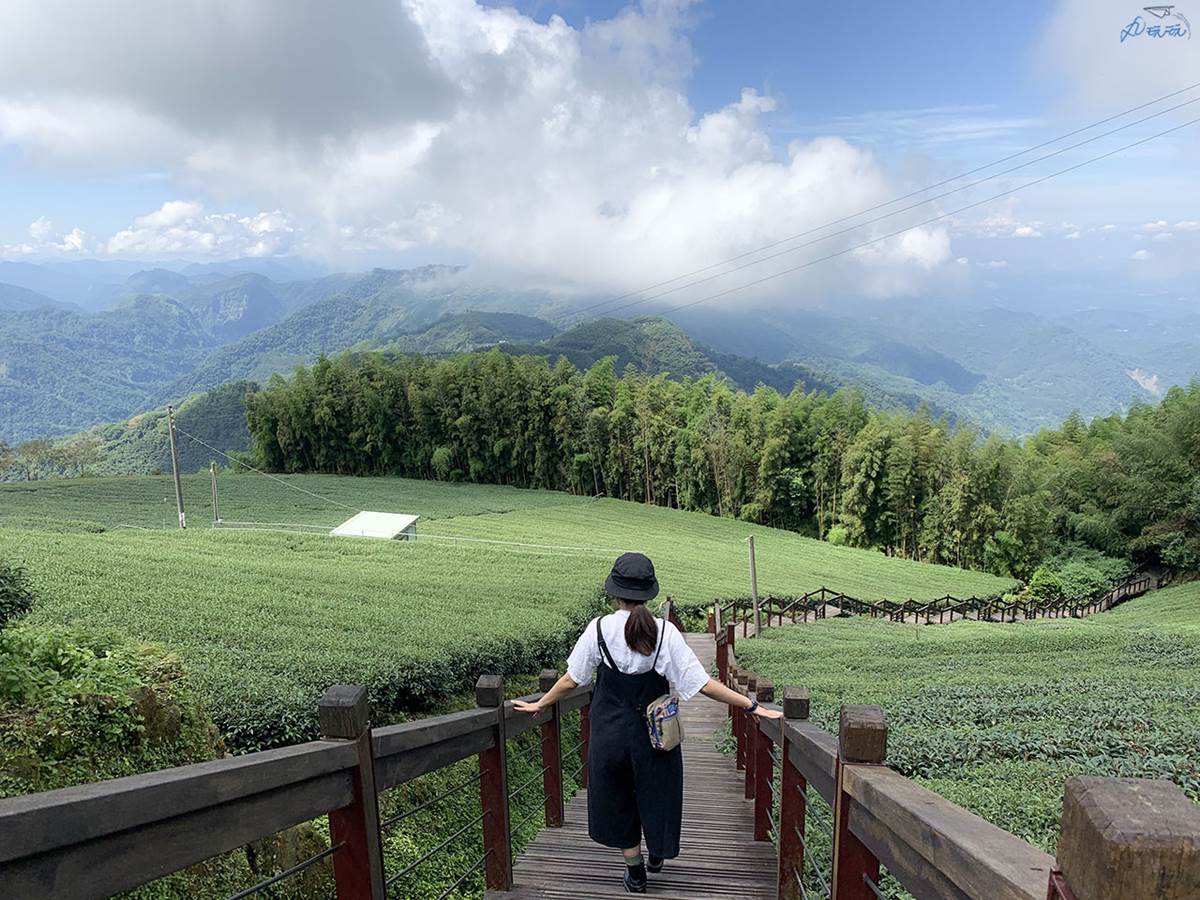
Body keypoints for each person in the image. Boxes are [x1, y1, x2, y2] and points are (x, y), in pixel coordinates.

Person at [514, 552, 783, 893]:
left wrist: (541, 702)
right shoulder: (665, 632)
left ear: (614, 592)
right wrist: (752, 706)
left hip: (609, 731)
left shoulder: (598, 629)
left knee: (617, 795)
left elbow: (572, 680)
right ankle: (657, 852)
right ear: (650, 592)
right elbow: (701, 684)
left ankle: (635, 869)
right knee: (660, 792)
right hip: (656, 735)